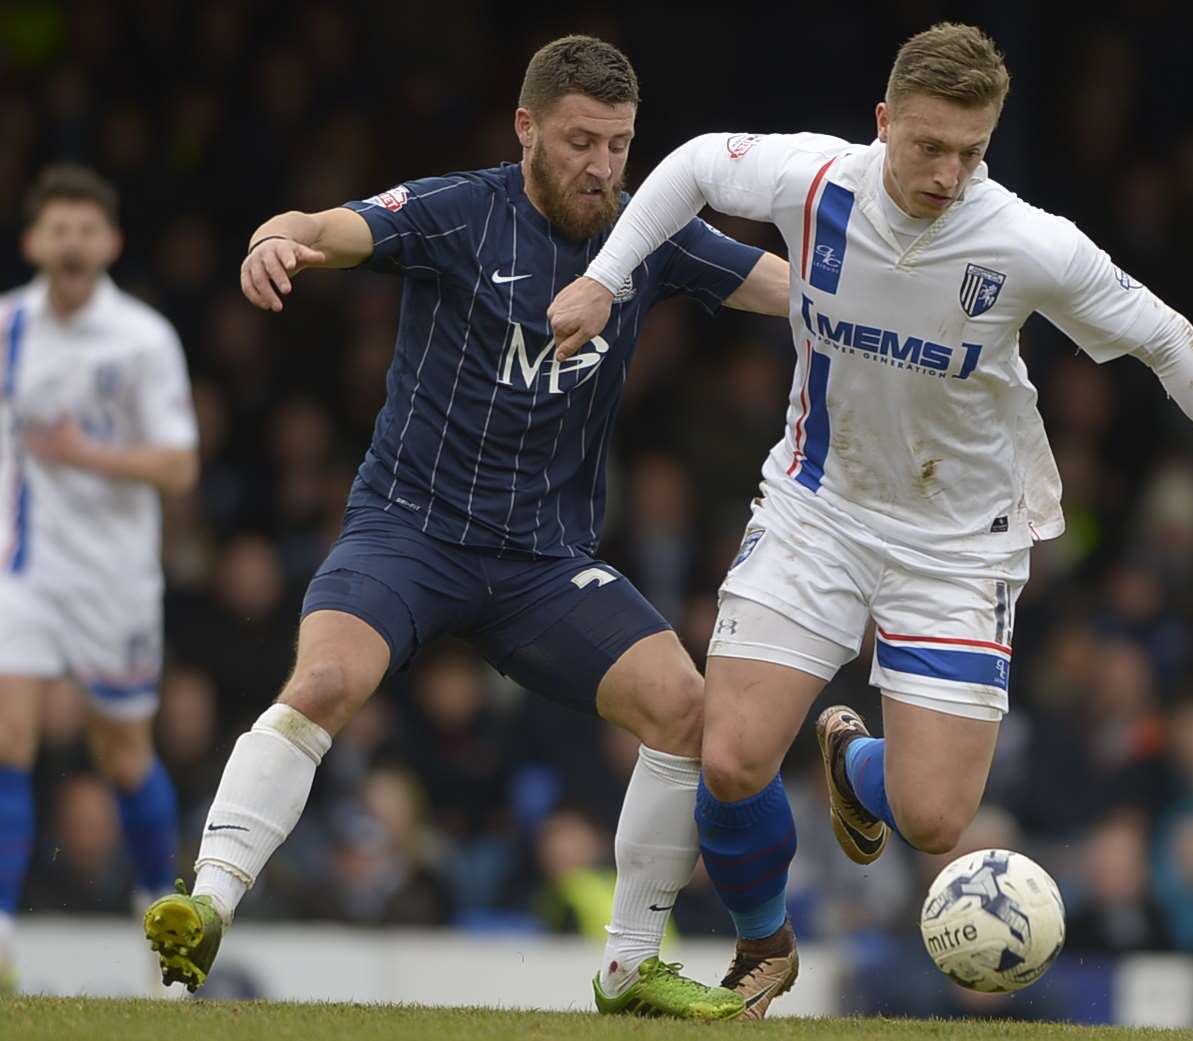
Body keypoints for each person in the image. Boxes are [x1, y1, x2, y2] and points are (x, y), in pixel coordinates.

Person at [548, 21, 1193, 1017]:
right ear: (882, 123)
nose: (948, 172)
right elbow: (691, 167)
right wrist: (607, 276)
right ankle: (762, 944)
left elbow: (1165, 338)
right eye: (928, 146)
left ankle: (855, 765)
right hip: (817, 506)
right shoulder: (814, 183)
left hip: (957, 545)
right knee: (730, 753)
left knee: (935, 818)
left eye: (970, 150)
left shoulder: (1024, 241)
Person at [142, 35, 788, 1021]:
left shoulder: (641, 233)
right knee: (321, 682)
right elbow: (323, 225)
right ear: (526, 127)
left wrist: (875, 306)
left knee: (686, 709)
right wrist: (276, 239)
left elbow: (782, 290)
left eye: (618, 145)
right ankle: (206, 906)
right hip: (411, 532)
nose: (601, 167)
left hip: (541, 566)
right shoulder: (458, 213)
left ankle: (626, 969)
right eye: (580, 141)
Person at [0, 164, 199, 994]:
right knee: (8, 739)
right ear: (34, 241)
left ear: (110, 242)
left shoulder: (143, 338)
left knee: (122, 753)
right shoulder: (8, 325)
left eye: (88, 229)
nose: (73, 243)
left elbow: (180, 465)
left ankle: (158, 907)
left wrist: (91, 456)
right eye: (59, 229)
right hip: (25, 570)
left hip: (115, 580)